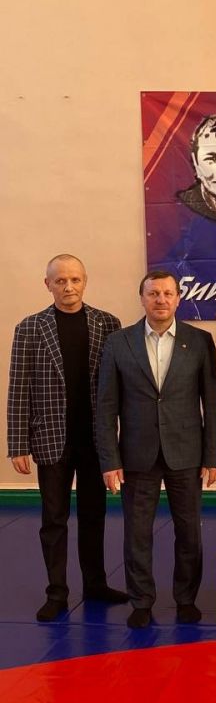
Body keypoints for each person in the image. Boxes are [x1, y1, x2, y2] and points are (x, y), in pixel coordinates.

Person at [96, 270, 216, 629]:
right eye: (153, 293)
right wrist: (109, 460)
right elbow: (106, 406)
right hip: (136, 454)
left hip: (187, 452)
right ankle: (141, 601)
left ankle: (186, 599)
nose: (161, 300)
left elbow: (212, 403)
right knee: (137, 533)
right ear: (142, 299)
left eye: (168, 293)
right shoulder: (118, 343)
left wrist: (213, 456)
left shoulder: (199, 341)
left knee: (189, 532)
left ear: (179, 299)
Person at [7, 255, 126, 622]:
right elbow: (18, 388)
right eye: (60, 281)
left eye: (75, 279)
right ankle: (56, 592)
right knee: (54, 519)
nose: (68, 287)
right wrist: (17, 444)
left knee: (94, 515)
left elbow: (120, 386)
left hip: (95, 440)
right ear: (48, 285)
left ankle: (95, 583)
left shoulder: (108, 324)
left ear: (85, 281)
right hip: (50, 438)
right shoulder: (30, 328)